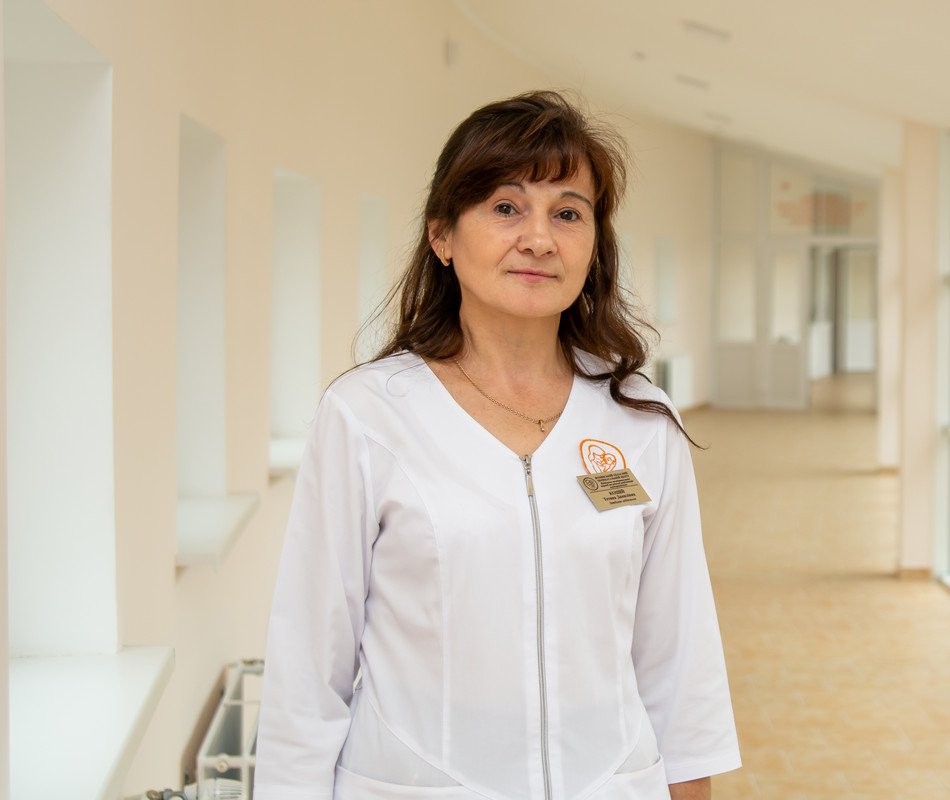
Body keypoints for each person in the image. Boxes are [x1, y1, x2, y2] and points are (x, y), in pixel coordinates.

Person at [254, 91, 740, 800]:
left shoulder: (640, 420)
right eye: (506, 207)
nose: (539, 239)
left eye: (568, 213)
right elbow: (307, 667)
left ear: (594, 245)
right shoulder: (368, 415)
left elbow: (679, 654)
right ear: (442, 236)